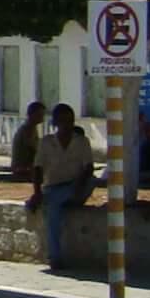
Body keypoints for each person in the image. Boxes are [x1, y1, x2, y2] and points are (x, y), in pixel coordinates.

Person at [30, 104, 98, 272]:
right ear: (55, 122)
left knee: (93, 181)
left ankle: (57, 199)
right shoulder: (46, 143)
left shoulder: (82, 142)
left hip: (76, 187)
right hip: (53, 188)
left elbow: (88, 167)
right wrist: (37, 192)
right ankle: (55, 257)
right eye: (63, 120)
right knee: (54, 213)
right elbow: (38, 168)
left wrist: (77, 185)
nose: (67, 124)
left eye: (70, 120)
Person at [8, 102, 46, 187]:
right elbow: (34, 149)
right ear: (32, 114)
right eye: (40, 114)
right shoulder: (28, 129)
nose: (42, 117)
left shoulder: (31, 128)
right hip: (22, 167)